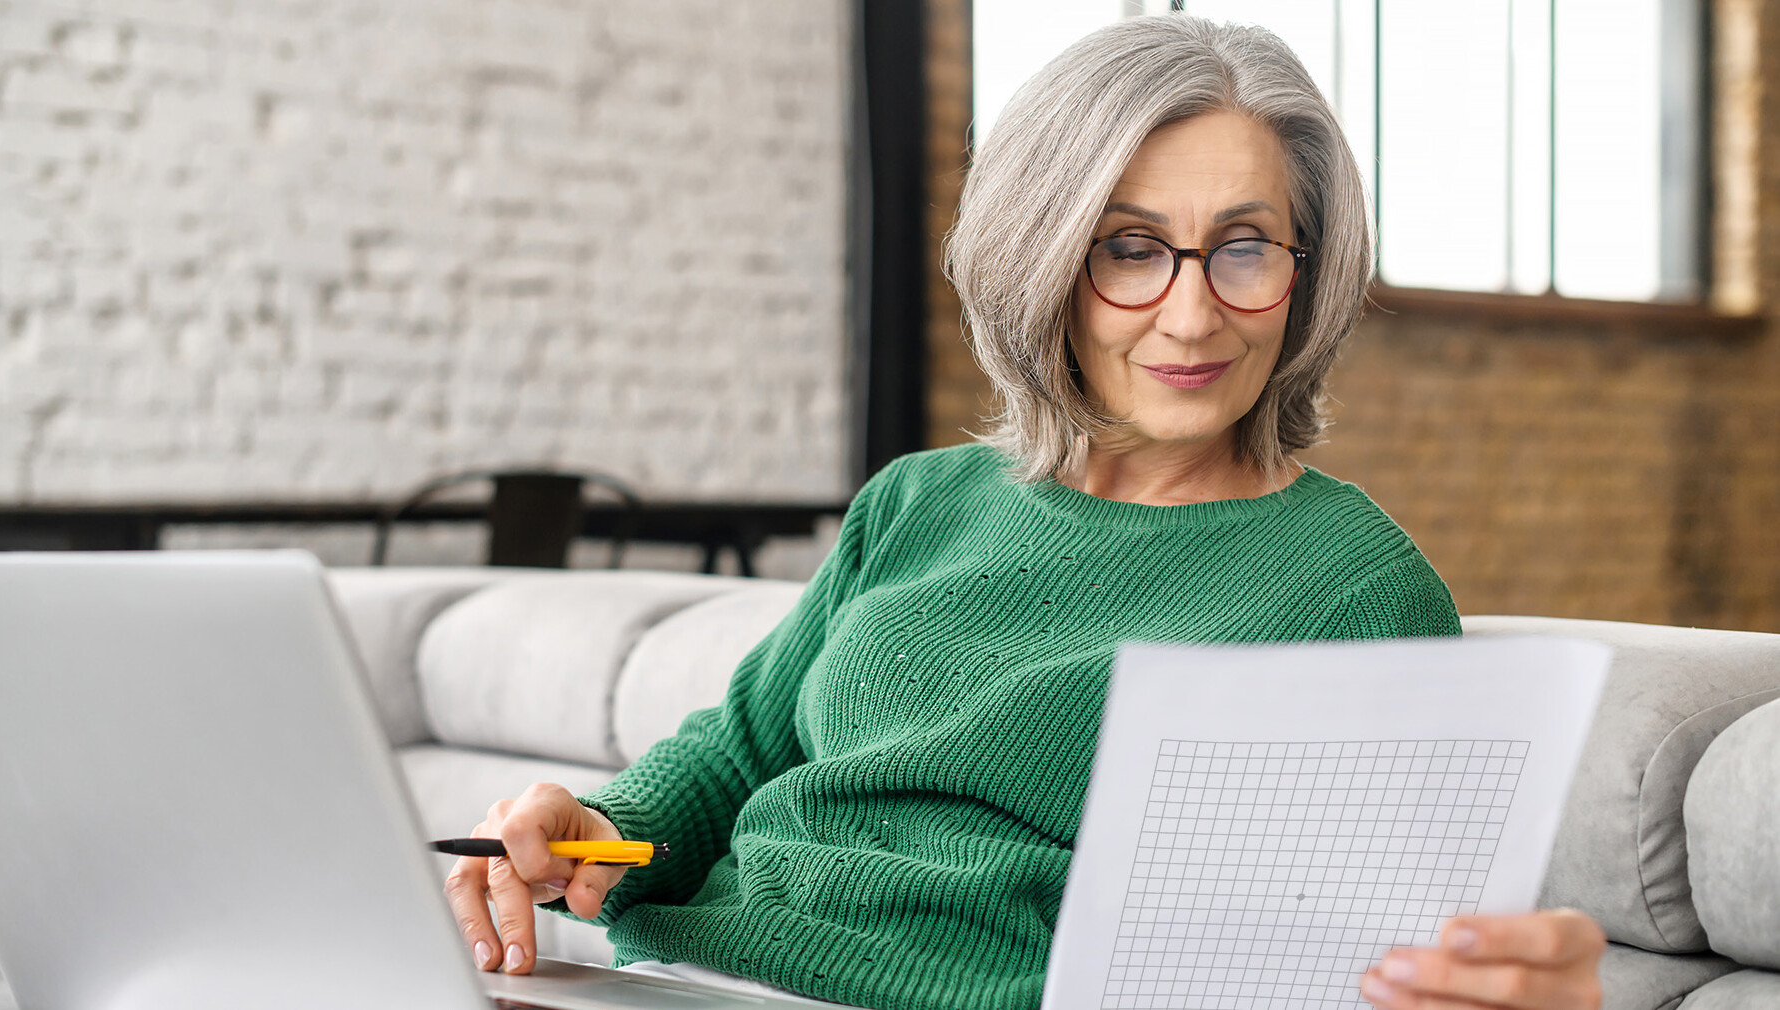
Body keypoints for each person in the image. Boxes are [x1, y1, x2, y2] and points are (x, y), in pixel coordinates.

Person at [444, 13, 1605, 1010]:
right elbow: (743, 747)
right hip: (677, 974)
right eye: (1130, 249)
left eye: (1245, 247)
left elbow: (1353, 955)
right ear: (1044, 260)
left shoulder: (1355, 587)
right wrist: (592, 823)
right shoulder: (918, 501)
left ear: (1307, 269)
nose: (1194, 317)